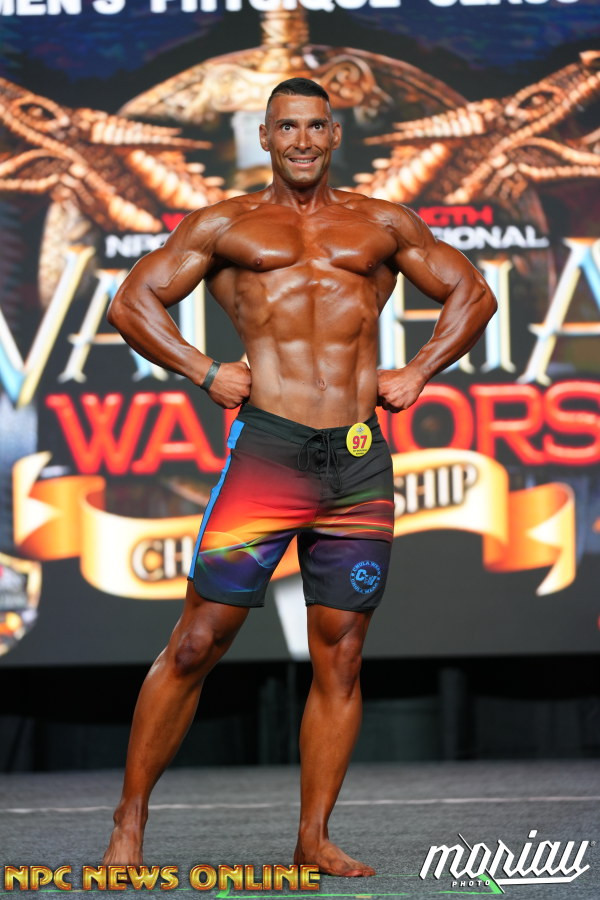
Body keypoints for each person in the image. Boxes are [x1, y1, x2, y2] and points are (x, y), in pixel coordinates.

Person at [102, 77, 497, 877]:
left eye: (317, 126)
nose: (304, 141)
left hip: (356, 460)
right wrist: (203, 369)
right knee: (197, 642)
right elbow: (132, 301)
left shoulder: (382, 223)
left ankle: (313, 837)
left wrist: (419, 369)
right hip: (270, 453)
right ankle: (129, 822)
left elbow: (473, 292)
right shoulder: (225, 223)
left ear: (335, 133)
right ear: (265, 136)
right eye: (288, 127)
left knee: (341, 655)